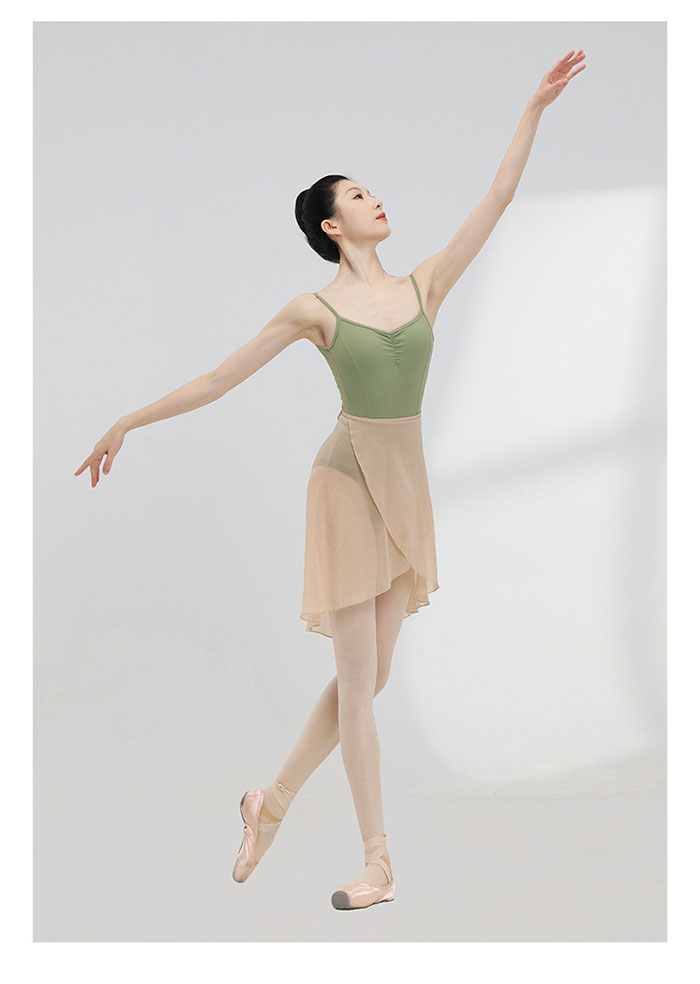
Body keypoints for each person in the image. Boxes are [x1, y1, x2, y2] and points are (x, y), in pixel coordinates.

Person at [74, 50, 586, 910]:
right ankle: (378, 863)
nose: (374, 199)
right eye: (356, 195)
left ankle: (268, 803)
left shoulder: (425, 284)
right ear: (330, 226)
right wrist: (128, 420)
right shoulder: (314, 309)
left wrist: (534, 107)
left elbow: (496, 199)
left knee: (367, 679)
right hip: (347, 484)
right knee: (360, 686)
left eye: (371, 190)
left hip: (405, 486)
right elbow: (218, 379)